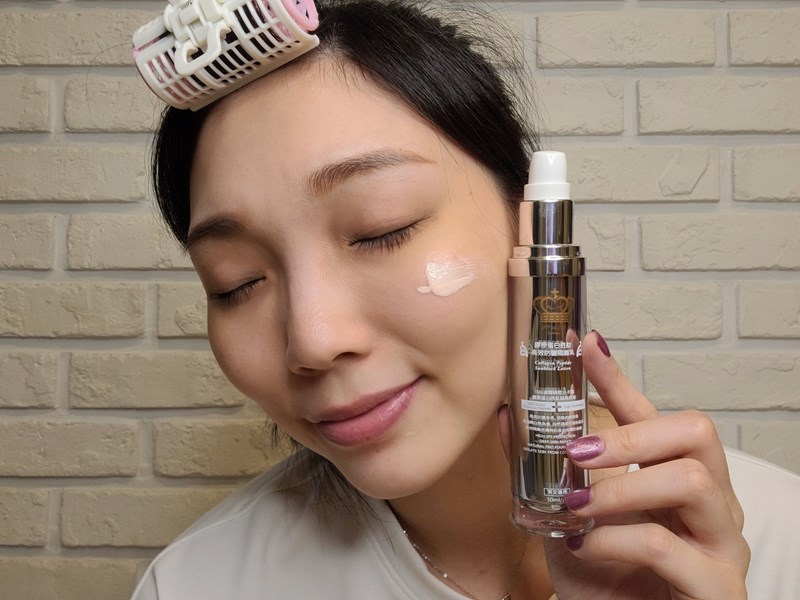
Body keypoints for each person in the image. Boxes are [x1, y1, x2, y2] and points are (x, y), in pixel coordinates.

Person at [130, 1, 800, 598]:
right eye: (237, 282)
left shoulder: (779, 541)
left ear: (527, 224)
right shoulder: (196, 583)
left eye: (380, 229)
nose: (312, 339)